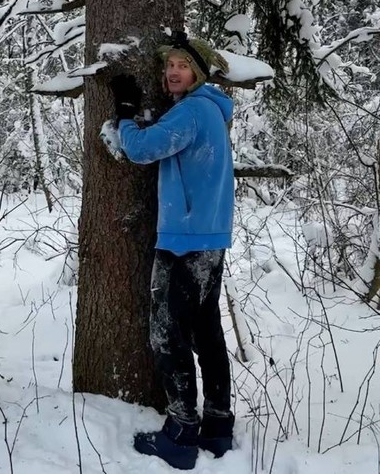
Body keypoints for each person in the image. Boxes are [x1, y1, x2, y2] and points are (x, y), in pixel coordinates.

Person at [109, 32, 236, 470]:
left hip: (184, 241)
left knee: (168, 334)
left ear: (197, 72)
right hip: (210, 239)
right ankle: (218, 425)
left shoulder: (193, 110)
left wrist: (125, 115)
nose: (171, 73)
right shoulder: (213, 112)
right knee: (206, 332)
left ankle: (181, 433)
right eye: (168, 67)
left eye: (181, 65)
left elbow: (144, 148)